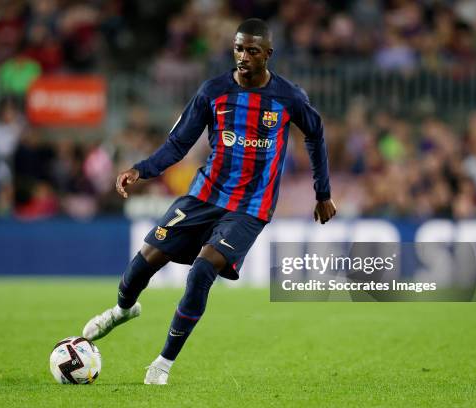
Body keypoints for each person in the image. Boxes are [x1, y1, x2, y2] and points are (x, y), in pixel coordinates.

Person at [82, 18, 337, 385]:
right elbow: (179, 142)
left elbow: (316, 135)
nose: (243, 56)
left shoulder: (289, 97)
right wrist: (141, 170)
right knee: (144, 263)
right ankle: (123, 310)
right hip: (203, 195)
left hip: (250, 207)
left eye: (252, 50)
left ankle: (163, 363)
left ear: (268, 54)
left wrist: (323, 192)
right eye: (238, 48)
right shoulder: (212, 91)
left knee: (202, 271)